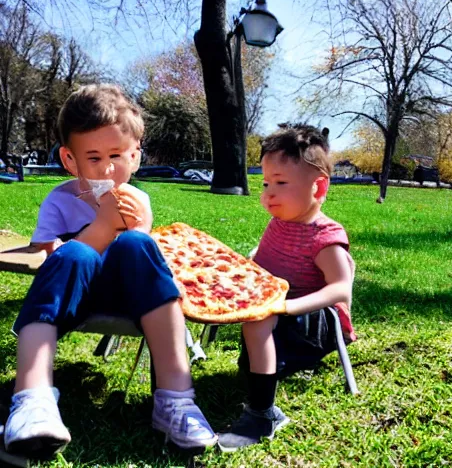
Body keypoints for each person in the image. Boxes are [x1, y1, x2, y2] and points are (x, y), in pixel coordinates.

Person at [3, 84, 217, 459]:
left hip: (131, 298)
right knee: (73, 256)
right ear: (71, 160)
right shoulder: (60, 200)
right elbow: (53, 262)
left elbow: (140, 265)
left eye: (117, 155)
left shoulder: (139, 200)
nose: (106, 169)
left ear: (135, 156)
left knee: (138, 245)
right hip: (73, 297)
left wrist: (138, 229)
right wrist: (100, 228)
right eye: (93, 157)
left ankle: (176, 401)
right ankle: (32, 398)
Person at [218, 126, 355, 452]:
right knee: (248, 364)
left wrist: (286, 307)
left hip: (316, 323)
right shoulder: (280, 222)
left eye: (281, 183)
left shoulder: (324, 236)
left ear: (318, 187)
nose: (268, 193)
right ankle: (269, 368)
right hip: (281, 315)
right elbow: (262, 262)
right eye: (266, 183)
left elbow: (340, 290)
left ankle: (263, 415)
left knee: (260, 318)